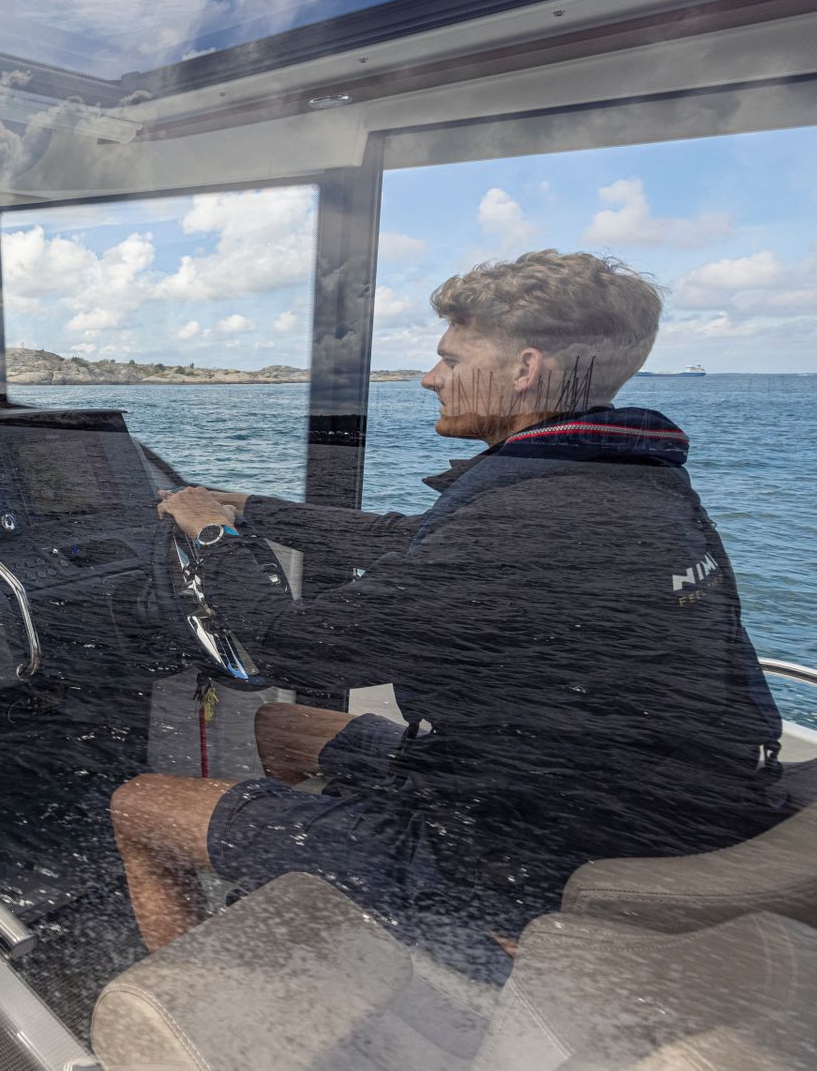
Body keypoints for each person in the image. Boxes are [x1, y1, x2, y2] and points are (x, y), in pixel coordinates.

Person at [112, 250, 785, 981]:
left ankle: (207, 989)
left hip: (523, 849)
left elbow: (290, 647)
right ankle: (322, 896)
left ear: (524, 368)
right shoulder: (628, 478)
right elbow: (416, 540)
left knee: (139, 805)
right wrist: (249, 508)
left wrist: (214, 536)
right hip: (646, 797)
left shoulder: (523, 522)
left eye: (451, 359)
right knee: (282, 726)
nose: (431, 377)